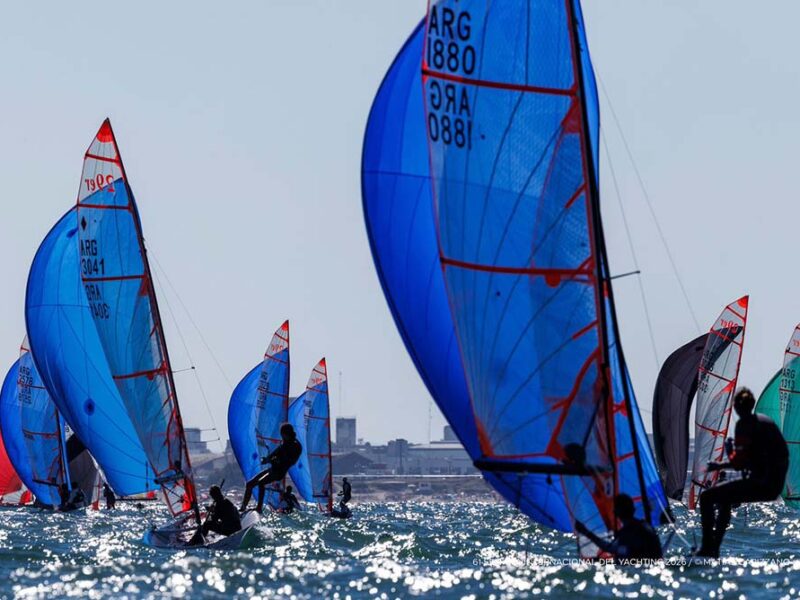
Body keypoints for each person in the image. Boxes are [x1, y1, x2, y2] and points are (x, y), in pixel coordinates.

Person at [695, 387, 789, 558]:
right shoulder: (767, 422)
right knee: (726, 499)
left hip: (760, 484)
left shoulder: (744, 425)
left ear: (737, 407)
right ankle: (713, 548)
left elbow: (739, 464)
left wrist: (720, 463)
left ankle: (709, 547)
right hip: (775, 487)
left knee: (706, 497)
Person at [574, 494, 662, 560]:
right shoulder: (646, 525)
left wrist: (585, 532)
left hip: (637, 570)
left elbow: (609, 548)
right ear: (633, 510)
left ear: (615, 513)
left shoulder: (627, 532)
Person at [239, 423, 302, 513]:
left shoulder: (296, 445)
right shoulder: (284, 443)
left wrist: (279, 460)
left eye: (282, 434)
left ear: (286, 433)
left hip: (279, 472)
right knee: (249, 484)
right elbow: (275, 453)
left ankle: (259, 508)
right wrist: (267, 459)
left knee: (261, 483)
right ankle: (242, 508)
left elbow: (291, 461)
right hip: (273, 469)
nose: (282, 436)